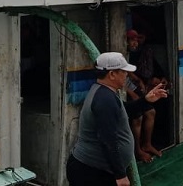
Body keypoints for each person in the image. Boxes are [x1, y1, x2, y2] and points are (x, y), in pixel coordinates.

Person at [67, 52, 168, 186]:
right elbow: (108, 139)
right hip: (92, 172)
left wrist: (146, 100)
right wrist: (120, 175)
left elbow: (122, 110)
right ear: (112, 74)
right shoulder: (104, 99)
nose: (127, 75)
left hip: (96, 170)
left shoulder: (105, 92)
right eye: (124, 71)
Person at [125, 31, 165, 162]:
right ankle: (137, 151)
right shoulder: (118, 53)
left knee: (151, 112)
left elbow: (128, 73)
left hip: (133, 87)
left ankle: (146, 144)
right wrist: (132, 94)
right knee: (137, 118)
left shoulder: (130, 53)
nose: (135, 43)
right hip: (125, 92)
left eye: (137, 40)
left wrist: (139, 81)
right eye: (132, 40)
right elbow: (119, 81)